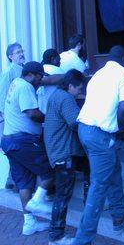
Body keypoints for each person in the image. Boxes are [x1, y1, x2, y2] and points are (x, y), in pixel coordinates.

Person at [73, 45, 124, 245]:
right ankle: (82, 240)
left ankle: (119, 214)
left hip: (84, 130)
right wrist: (119, 126)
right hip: (100, 134)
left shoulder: (97, 75)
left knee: (114, 169)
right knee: (99, 185)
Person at [1, 62, 54, 235]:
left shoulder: (16, 82)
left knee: (24, 183)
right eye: (40, 76)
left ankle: (29, 223)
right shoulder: (25, 87)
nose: (41, 80)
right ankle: (38, 201)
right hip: (23, 141)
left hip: (10, 140)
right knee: (50, 171)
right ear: (31, 74)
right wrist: (50, 119)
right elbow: (32, 113)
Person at [44, 69, 85, 245]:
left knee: (62, 193)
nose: (80, 92)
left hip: (58, 150)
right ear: (70, 86)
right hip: (64, 153)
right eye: (79, 89)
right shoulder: (66, 98)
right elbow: (75, 123)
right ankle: (56, 236)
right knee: (63, 195)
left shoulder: (56, 95)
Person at [0, 42, 25, 190]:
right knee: (16, 147)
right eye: (17, 52)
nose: (21, 54)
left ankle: (13, 180)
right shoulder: (9, 72)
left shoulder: (24, 69)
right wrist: (4, 115)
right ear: (10, 56)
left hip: (22, 114)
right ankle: (15, 181)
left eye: (21, 51)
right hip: (12, 117)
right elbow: (3, 94)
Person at [38, 49, 64, 115]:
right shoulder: (57, 70)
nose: (60, 62)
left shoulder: (38, 71)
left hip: (40, 112)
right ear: (53, 59)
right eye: (59, 60)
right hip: (54, 113)